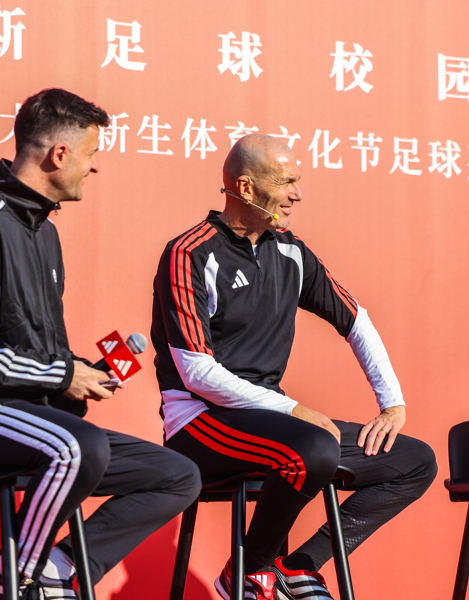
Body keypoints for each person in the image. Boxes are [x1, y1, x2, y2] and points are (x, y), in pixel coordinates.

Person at [0, 88, 201, 600]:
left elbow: (34, 346)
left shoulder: (44, 232)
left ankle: (56, 566)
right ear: (59, 154)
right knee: (78, 445)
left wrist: (82, 372)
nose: (93, 168)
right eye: (91, 155)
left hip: (37, 414)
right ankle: (12, 578)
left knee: (178, 475)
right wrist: (62, 375)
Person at [151, 133, 437, 600]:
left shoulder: (290, 250)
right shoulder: (190, 252)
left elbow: (356, 321)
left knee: (413, 461)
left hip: (276, 420)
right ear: (245, 187)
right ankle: (249, 571)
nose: (296, 194)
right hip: (199, 420)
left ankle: (298, 567)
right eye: (285, 182)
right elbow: (196, 373)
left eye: (296, 181)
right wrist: (293, 410)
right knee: (313, 448)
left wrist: (392, 404)